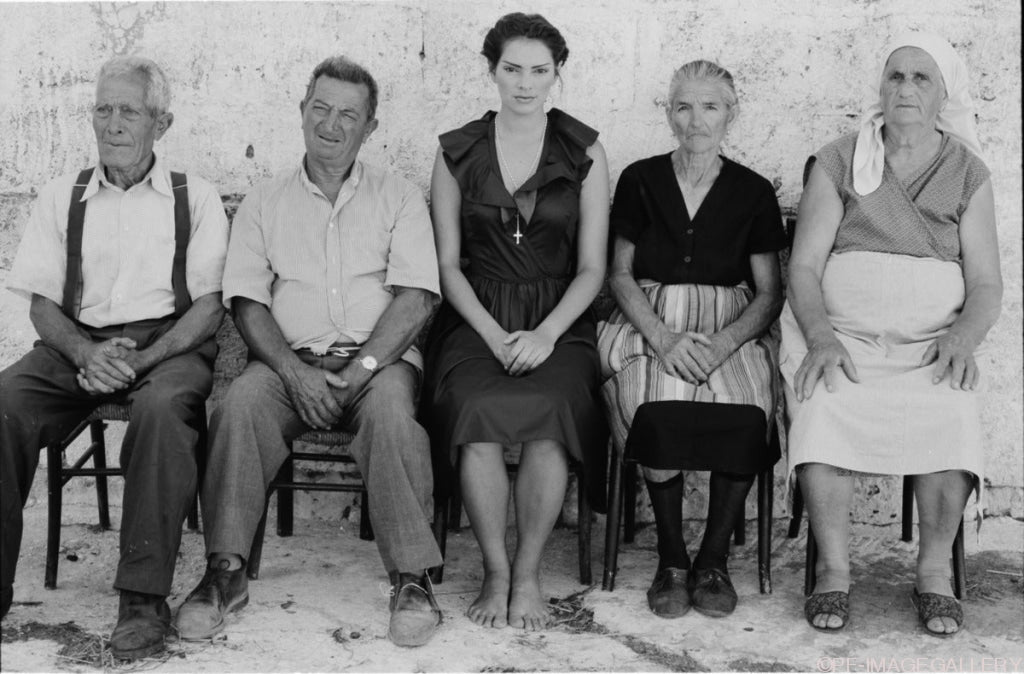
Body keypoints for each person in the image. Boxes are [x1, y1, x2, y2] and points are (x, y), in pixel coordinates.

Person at [172, 56, 445, 648]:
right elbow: (246, 302)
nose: (331, 123)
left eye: (349, 114)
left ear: (370, 127)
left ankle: (412, 579)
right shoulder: (264, 201)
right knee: (239, 407)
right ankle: (224, 572)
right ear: (301, 112)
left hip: (379, 363)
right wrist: (295, 372)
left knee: (394, 417)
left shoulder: (398, 196)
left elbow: (418, 297)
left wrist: (362, 366)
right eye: (320, 108)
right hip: (287, 364)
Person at [0, 56, 229, 659]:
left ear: (163, 121)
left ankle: (142, 599)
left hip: (168, 343)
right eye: (104, 108)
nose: (114, 123)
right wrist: (84, 351)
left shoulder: (194, 197)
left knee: (160, 413)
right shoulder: (61, 195)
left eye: (130, 110)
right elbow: (43, 307)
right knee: (4, 404)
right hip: (78, 341)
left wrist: (146, 358)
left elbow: (208, 309)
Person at [782, 32, 1001, 636]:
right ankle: (833, 572)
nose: (905, 88)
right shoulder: (839, 158)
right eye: (896, 76)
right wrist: (822, 336)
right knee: (823, 407)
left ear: (942, 96)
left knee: (950, 416)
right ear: (880, 89)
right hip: (842, 341)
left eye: (920, 78)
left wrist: (961, 339)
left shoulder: (967, 171)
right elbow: (802, 267)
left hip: (929, 346)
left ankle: (933, 575)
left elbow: (986, 285)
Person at [421, 12, 609, 631]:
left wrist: (547, 333)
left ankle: (528, 573)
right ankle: (495, 569)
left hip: (559, 318)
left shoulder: (584, 151)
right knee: (475, 413)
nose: (525, 83)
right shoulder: (456, 152)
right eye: (512, 69)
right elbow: (447, 265)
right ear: (492, 70)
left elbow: (592, 268)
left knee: (551, 416)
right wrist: (494, 334)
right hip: (477, 318)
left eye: (539, 70)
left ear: (557, 74)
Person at [598, 61, 786, 619]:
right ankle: (672, 560)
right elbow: (619, 275)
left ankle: (713, 562)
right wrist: (660, 338)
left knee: (749, 407)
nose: (696, 119)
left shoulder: (752, 190)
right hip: (651, 322)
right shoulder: (640, 179)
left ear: (731, 114)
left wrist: (726, 343)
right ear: (668, 113)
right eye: (684, 106)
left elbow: (769, 292)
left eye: (710, 106)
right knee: (655, 406)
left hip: (728, 328)